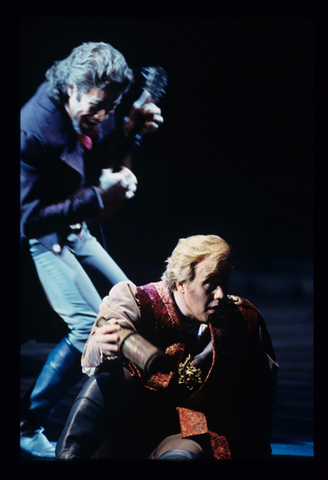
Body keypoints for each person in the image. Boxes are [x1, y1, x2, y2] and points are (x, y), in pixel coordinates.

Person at [20, 41, 164, 458]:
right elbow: (26, 218)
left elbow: (97, 156)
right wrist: (99, 196)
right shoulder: (31, 128)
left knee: (135, 305)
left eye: (111, 108)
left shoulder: (100, 105)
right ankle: (28, 425)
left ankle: (133, 418)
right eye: (98, 107)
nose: (102, 117)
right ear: (71, 88)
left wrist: (130, 132)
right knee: (87, 325)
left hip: (76, 225)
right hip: (43, 235)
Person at [56, 234, 278, 460]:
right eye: (210, 283)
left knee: (183, 455)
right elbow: (96, 350)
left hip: (189, 432)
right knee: (110, 376)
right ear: (181, 283)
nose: (220, 294)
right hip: (128, 428)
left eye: (224, 281)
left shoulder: (242, 318)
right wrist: (103, 344)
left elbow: (261, 392)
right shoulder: (137, 301)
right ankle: (70, 455)